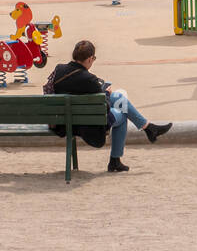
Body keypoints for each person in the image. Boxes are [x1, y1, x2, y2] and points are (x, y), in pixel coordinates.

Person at [46, 40, 171, 173]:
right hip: (88, 126)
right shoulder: (89, 80)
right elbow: (103, 107)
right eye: (93, 58)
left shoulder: (59, 69)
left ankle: (148, 127)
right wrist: (106, 92)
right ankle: (116, 160)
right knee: (123, 113)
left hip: (63, 123)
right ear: (89, 59)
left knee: (118, 98)